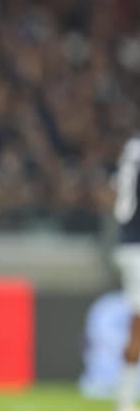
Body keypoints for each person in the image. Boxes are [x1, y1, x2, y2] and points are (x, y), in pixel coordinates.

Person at [114, 134, 140, 411]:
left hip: (129, 244)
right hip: (137, 245)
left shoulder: (132, 149)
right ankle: (125, 399)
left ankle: (125, 397)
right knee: (138, 326)